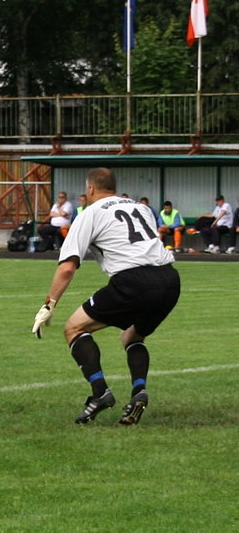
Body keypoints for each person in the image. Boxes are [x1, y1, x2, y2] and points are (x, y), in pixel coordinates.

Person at [31, 168, 180, 425]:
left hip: (133, 281)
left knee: (74, 329)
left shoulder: (90, 213)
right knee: (132, 336)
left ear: (90, 189)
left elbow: (67, 267)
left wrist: (49, 304)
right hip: (169, 279)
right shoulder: (141, 208)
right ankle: (139, 392)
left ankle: (101, 393)